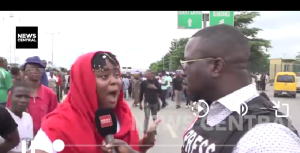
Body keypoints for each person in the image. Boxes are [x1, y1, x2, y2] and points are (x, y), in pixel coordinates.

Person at [181, 24, 300, 153]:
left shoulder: (268, 139)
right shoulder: (213, 110)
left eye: (188, 63)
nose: (182, 71)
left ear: (216, 66)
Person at [28, 51, 160, 153]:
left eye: (116, 74)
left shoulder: (124, 115)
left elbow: (133, 148)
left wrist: (143, 145)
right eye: (104, 76)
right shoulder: (56, 128)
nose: (114, 81)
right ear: (84, 83)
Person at [6, 56, 58, 136]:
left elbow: (54, 119)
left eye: (40, 69)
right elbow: (9, 117)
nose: (36, 71)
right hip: (20, 139)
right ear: (25, 71)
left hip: (42, 138)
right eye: (32, 69)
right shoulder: (14, 93)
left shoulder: (50, 94)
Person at [0, 82, 33, 153]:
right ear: (10, 97)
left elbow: (28, 143)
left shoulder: (28, 117)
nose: (23, 100)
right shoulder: (3, 117)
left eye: (26, 97)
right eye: (18, 96)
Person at [140, 70, 161, 135]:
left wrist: (155, 87)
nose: (148, 75)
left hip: (155, 102)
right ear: (145, 75)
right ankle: (145, 131)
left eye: (149, 74)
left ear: (152, 75)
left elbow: (160, 91)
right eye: (147, 74)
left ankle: (154, 130)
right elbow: (141, 93)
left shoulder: (155, 81)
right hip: (147, 102)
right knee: (147, 117)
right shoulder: (143, 83)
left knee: (154, 117)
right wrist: (140, 102)